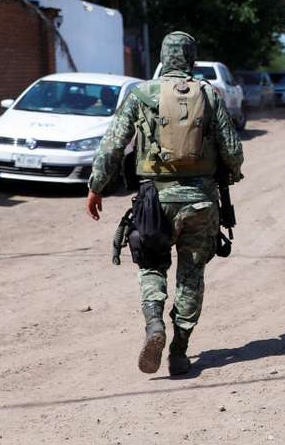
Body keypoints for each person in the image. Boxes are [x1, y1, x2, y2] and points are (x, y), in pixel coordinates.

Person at [85, 31, 244, 376]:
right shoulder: (208, 94)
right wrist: (230, 174)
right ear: (191, 59)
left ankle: (154, 323)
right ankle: (179, 351)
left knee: (151, 266)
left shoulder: (141, 93)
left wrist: (96, 186)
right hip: (201, 202)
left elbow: (113, 145)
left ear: (162, 57)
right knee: (191, 276)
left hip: (153, 201)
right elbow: (233, 150)